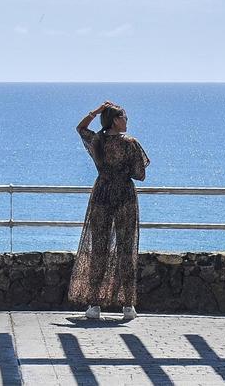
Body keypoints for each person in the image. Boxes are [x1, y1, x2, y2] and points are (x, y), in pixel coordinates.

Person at [68, 101, 150, 320]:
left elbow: (80, 128)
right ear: (116, 120)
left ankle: (94, 305)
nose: (127, 121)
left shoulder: (98, 141)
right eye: (124, 117)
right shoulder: (130, 143)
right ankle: (127, 306)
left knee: (98, 248)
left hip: (102, 194)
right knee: (126, 248)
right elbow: (140, 173)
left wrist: (95, 111)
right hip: (124, 195)